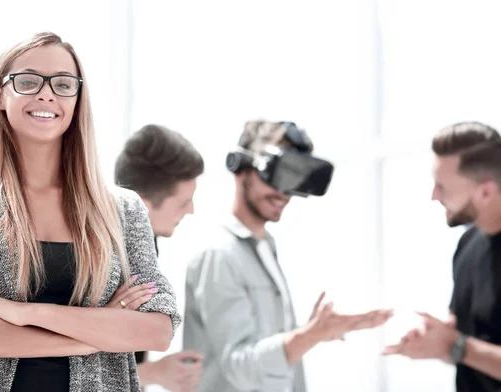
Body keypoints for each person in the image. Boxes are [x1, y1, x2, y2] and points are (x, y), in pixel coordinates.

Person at [0, 32, 179, 392]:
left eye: (63, 84)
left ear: (77, 98)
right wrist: (96, 334)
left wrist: (27, 314)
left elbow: (157, 329)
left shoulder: (124, 210)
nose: (47, 93)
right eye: (27, 81)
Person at [183, 119, 394, 392]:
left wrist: (319, 331)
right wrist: (311, 334)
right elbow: (240, 367)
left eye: (293, 178)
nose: (283, 192)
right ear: (241, 168)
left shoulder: (263, 248)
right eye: (276, 174)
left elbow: (266, 345)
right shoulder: (219, 255)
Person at [383, 122, 501, 392]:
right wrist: (437, 344)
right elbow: (465, 347)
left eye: (442, 186)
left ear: (486, 191)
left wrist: (456, 345)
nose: (434, 196)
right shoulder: (469, 243)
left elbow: (462, 346)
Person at [113, 124, 205, 392]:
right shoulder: (106, 260)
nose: (191, 210)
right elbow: (76, 365)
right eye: (182, 202)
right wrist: (152, 372)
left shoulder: (146, 242)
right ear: (140, 205)